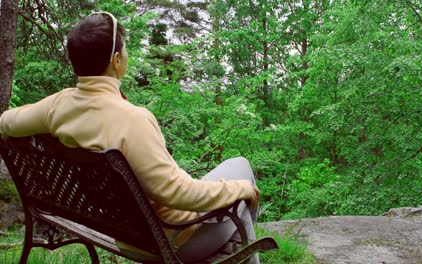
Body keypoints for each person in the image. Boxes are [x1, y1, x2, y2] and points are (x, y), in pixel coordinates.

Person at [0, 12, 261, 263]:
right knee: (242, 171)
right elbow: (177, 192)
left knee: (234, 186)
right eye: (124, 49)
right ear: (115, 60)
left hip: (128, 237)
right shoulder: (132, 120)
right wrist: (241, 189)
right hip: (173, 241)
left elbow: (6, 122)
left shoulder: (59, 106)